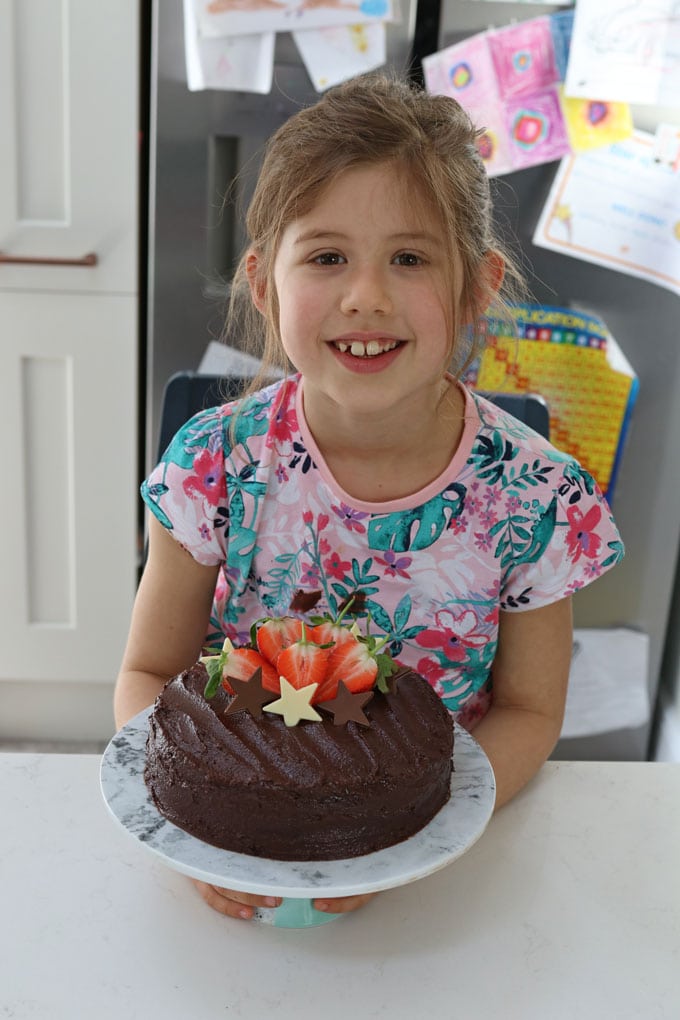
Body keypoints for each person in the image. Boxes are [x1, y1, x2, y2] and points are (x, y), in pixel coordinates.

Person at [114, 72, 624, 920]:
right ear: (264, 283)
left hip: (442, 883)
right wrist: (188, 830)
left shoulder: (534, 495)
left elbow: (533, 710)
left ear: (477, 287)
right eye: (326, 256)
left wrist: (421, 839)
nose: (367, 296)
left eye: (410, 258)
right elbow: (147, 673)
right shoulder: (214, 466)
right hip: (241, 868)